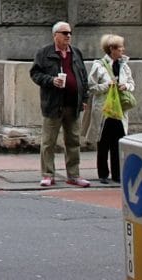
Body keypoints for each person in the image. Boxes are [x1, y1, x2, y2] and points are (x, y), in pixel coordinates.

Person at [30, 21, 91, 187]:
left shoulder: (76, 53)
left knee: (73, 141)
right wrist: (51, 80)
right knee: (48, 142)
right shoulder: (44, 53)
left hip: (73, 104)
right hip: (53, 104)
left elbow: (83, 78)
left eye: (69, 33)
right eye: (64, 33)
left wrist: (84, 99)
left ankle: (74, 175)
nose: (68, 36)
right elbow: (35, 73)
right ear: (55, 35)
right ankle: (48, 174)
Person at [85, 34, 135, 183]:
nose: (123, 50)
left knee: (118, 143)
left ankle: (117, 174)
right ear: (112, 49)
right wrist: (106, 86)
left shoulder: (124, 65)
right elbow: (91, 87)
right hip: (104, 110)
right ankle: (103, 174)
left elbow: (132, 84)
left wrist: (125, 86)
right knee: (103, 142)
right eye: (120, 47)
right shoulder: (99, 66)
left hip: (119, 109)